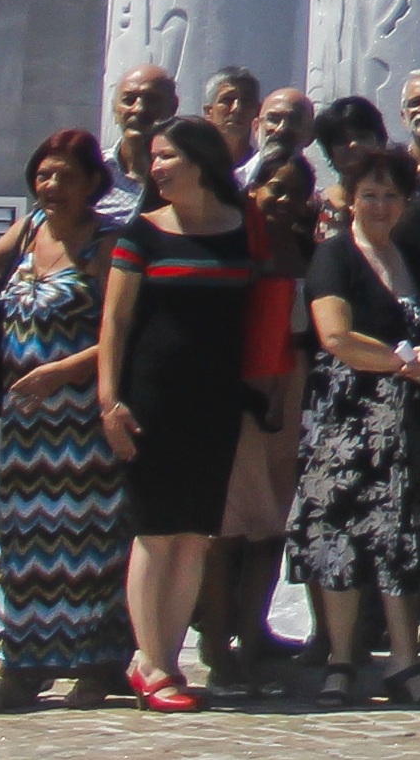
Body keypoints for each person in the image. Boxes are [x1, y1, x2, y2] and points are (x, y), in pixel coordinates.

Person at [93, 117, 261, 712]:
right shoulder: (142, 233)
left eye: (168, 156)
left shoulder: (242, 227)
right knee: (156, 530)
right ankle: (150, 661)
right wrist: (109, 400)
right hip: (152, 401)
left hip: (215, 402)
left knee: (195, 536)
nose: (157, 167)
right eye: (154, 158)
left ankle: (167, 658)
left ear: (200, 161)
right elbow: (115, 322)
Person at [0, 130, 134, 712]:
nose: (52, 186)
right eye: (44, 174)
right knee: (24, 541)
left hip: (83, 421)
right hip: (26, 428)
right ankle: (22, 665)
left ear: (93, 185)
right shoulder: (29, 228)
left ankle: (98, 663)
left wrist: (61, 372)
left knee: (90, 541)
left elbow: (122, 330)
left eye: (66, 176)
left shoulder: (106, 243)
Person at [291, 147, 420, 705]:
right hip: (343, 420)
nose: (380, 205)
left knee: (399, 537)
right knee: (338, 536)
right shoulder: (335, 255)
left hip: (404, 421)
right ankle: (341, 658)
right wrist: (403, 363)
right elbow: (335, 336)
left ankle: (404, 659)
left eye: (390, 196)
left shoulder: (415, 258)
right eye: (370, 195)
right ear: (351, 200)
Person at [101, 65, 179, 221]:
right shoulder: (92, 171)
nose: (139, 109)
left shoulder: (192, 174)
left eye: (151, 100)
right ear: (114, 109)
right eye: (128, 100)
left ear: (173, 107)